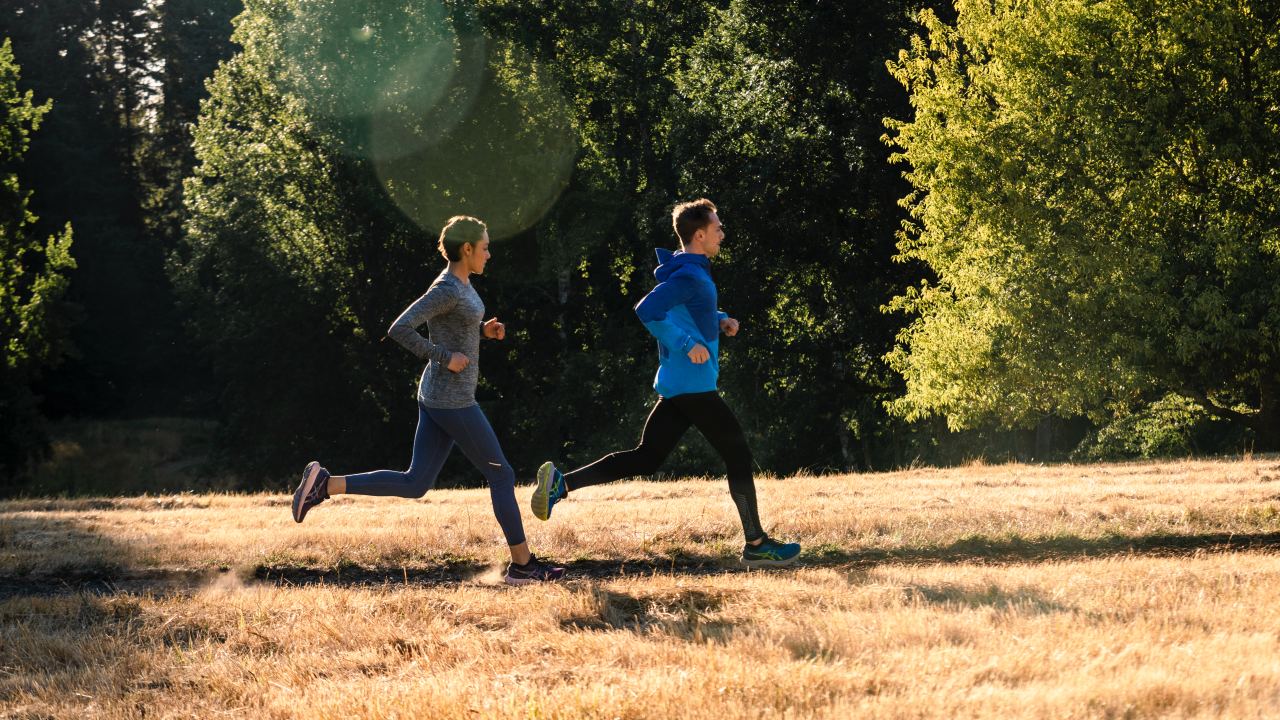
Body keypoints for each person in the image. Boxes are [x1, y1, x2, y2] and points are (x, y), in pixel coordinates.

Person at [292, 215, 564, 586]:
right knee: (501, 473)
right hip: (452, 400)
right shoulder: (447, 287)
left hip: (439, 396)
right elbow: (399, 328)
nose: (489, 253)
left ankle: (326, 484)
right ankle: (523, 566)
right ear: (466, 249)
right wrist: (443, 357)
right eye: (484, 246)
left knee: (416, 482)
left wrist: (481, 331)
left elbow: (452, 327)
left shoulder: (462, 284)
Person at [531, 199, 801, 568]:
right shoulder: (688, 275)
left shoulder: (693, 272)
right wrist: (686, 344)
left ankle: (561, 484)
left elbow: (687, 309)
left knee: (647, 457)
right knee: (738, 454)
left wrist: (720, 319)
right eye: (717, 227)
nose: (722, 233)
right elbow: (647, 310)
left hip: (683, 385)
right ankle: (756, 542)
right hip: (693, 386)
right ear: (700, 234)